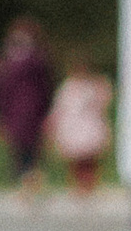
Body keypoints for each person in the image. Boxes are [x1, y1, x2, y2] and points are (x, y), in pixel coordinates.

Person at [0, 16, 55, 199]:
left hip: (30, 112)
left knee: (29, 148)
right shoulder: (7, 62)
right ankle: (27, 183)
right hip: (15, 112)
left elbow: (46, 88)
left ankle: (29, 184)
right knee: (21, 148)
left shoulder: (32, 61)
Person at [47, 55, 115, 200]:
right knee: (76, 160)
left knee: (90, 159)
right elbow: (59, 110)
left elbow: (104, 103)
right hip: (74, 129)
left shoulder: (93, 86)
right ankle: (79, 186)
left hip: (89, 128)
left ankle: (89, 185)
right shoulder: (67, 88)